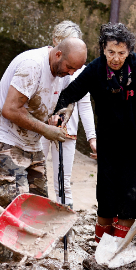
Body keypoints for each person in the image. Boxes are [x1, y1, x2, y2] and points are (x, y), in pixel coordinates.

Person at [0, 36, 87, 260]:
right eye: (68, 68)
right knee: (12, 204)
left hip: (31, 141)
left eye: (74, 70)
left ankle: (25, 257)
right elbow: (10, 109)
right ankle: (3, 264)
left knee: (39, 203)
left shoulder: (64, 70)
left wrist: (63, 113)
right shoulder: (32, 66)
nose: (69, 73)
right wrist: (46, 130)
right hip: (2, 138)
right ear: (58, 54)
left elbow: (71, 96)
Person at [54, 23, 136, 245]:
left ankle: (118, 245)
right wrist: (61, 114)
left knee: (133, 191)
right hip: (109, 143)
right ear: (102, 49)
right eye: (111, 52)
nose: (116, 58)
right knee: (107, 192)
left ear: (129, 51)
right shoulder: (95, 69)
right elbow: (69, 94)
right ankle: (101, 244)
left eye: (121, 53)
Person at [47, 21, 98, 208]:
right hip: (42, 127)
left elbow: (84, 105)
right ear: (56, 42)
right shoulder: (45, 63)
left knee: (63, 181)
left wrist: (92, 138)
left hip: (67, 130)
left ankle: (64, 227)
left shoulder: (81, 70)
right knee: (35, 174)